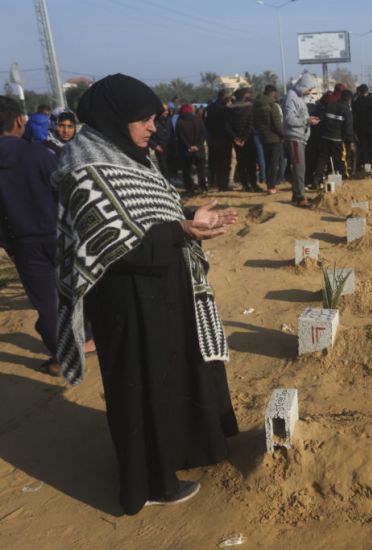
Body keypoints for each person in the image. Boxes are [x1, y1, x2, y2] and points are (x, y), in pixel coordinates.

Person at [53, 73, 239, 515]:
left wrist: (189, 219)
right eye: (143, 119)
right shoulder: (84, 166)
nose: (152, 127)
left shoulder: (132, 154)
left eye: (154, 118)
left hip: (162, 289)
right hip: (127, 301)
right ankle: (151, 482)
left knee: (171, 377)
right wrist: (179, 230)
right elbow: (106, 240)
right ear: (115, 118)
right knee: (140, 388)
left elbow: (152, 214)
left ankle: (177, 454)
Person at [0, 96, 61, 375]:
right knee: (76, 291)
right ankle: (88, 340)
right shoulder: (39, 154)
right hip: (60, 234)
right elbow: (65, 194)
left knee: (46, 303)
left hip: (23, 244)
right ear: (19, 121)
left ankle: (62, 358)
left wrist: (8, 243)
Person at [283, 73, 319, 206]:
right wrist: (307, 120)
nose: (309, 92)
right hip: (294, 137)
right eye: (308, 89)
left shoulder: (298, 97)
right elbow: (289, 119)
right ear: (303, 86)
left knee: (300, 167)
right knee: (299, 167)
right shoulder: (291, 97)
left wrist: (308, 121)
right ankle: (299, 197)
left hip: (299, 137)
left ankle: (296, 195)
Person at [312, 90, 355, 185]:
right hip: (337, 139)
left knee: (322, 159)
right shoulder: (346, 111)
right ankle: (343, 178)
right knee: (340, 159)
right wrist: (350, 141)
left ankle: (316, 180)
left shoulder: (330, 105)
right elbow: (348, 129)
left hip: (325, 137)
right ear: (349, 100)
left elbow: (321, 120)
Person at [252, 84, 283, 195]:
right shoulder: (272, 106)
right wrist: (283, 135)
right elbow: (277, 125)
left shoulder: (256, 107)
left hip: (263, 138)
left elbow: (254, 123)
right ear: (272, 93)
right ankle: (272, 187)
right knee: (274, 164)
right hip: (275, 139)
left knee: (267, 162)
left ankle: (269, 185)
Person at [228, 88, 258, 192]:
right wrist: (244, 138)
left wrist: (235, 138)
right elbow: (250, 124)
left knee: (241, 163)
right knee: (251, 163)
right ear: (244, 97)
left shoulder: (229, 109)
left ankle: (245, 185)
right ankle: (253, 184)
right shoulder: (249, 108)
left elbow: (227, 126)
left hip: (236, 140)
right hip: (248, 139)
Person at [176, 103, 208, 194]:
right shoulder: (198, 119)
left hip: (186, 150)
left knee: (187, 170)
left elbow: (180, 136)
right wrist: (197, 146)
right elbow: (203, 133)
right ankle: (203, 188)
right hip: (199, 150)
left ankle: (190, 189)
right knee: (201, 170)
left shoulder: (180, 121)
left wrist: (189, 146)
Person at [204, 89, 233, 191]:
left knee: (213, 163)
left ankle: (213, 183)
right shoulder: (225, 109)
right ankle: (223, 185)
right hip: (224, 139)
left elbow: (206, 123)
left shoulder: (209, 108)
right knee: (225, 163)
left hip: (212, 138)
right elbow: (227, 125)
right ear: (224, 98)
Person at [352, 84, 372, 170]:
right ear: (367, 90)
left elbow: (355, 117)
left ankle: (365, 163)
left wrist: (356, 128)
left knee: (363, 146)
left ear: (360, 92)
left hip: (361, 128)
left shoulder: (356, 102)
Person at [149, 105, 173, 180]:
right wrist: (155, 146)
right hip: (160, 148)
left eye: (167, 110)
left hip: (170, 147)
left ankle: (171, 182)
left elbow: (172, 133)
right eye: (165, 110)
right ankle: (167, 183)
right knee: (164, 168)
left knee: (170, 167)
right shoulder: (153, 121)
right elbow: (149, 137)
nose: (166, 112)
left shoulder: (169, 120)